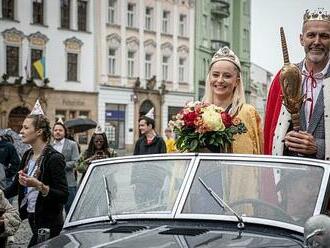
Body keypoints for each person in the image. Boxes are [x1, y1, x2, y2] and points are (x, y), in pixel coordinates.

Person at [264, 8, 330, 159]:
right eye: (311, 35)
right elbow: (270, 131)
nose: (317, 42)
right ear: (302, 39)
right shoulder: (284, 77)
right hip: (289, 176)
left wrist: (318, 147)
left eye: (324, 36)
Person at [4, 110, 68, 247]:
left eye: (26, 127)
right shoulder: (27, 155)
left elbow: (63, 196)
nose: (21, 131)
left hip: (49, 223)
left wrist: (39, 185)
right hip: (32, 217)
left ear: (39, 132)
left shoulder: (54, 158)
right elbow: (15, 187)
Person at [203, 46, 263, 154]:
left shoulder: (247, 113)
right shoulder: (198, 113)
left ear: (237, 81)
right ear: (209, 78)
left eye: (227, 76)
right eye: (215, 75)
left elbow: (259, 151)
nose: (220, 80)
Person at [52, 121, 80, 214]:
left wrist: (61, 165)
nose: (58, 132)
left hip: (69, 183)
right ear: (53, 132)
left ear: (64, 132)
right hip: (53, 184)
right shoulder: (49, 146)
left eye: (60, 130)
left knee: (70, 210)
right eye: (55, 130)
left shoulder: (72, 144)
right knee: (55, 211)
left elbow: (76, 162)